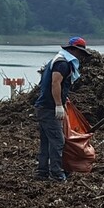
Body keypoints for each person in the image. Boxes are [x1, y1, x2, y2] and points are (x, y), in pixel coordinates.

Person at [34, 36, 93, 182]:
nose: (80, 56)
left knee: (46, 140)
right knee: (58, 141)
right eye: (79, 52)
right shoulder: (62, 64)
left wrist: (62, 99)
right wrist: (58, 105)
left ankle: (42, 172)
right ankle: (56, 173)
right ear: (73, 50)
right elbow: (55, 83)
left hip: (43, 106)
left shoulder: (57, 60)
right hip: (49, 108)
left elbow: (47, 84)